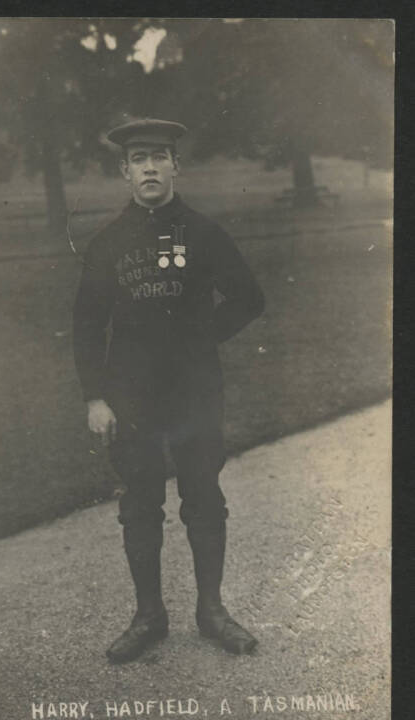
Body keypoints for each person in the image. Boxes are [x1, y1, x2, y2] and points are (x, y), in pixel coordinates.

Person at [73, 118, 265, 663]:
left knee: (203, 495)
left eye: (159, 156)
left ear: (176, 166)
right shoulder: (108, 242)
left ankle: (212, 611)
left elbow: (250, 298)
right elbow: (87, 326)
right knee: (140, 503)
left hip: (195, 390)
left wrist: (203, 336)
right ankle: (148, 616)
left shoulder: (204, 233)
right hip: (130, 395)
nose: (150, 167)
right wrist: (95, 397)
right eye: (139, 159)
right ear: (124, 171)